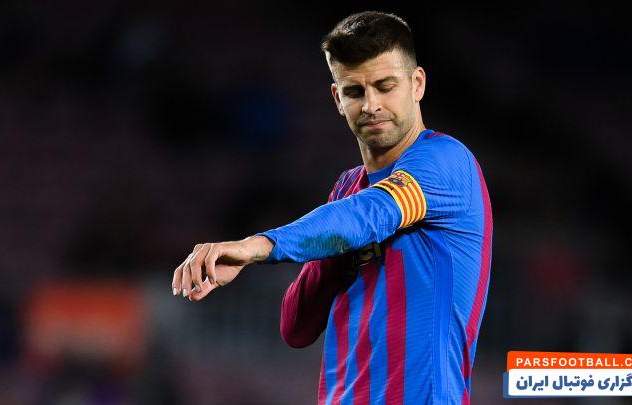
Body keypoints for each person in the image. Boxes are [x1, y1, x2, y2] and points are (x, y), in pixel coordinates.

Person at [171, 11, 493, 404]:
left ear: (417, 84)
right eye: (355, 91)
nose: (371, 104)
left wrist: (258, 246)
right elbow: (297, 327)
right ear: (338, 99)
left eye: (385, 86)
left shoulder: (446, 161)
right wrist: (334, 254)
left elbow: (373, 213)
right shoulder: (348, 190)